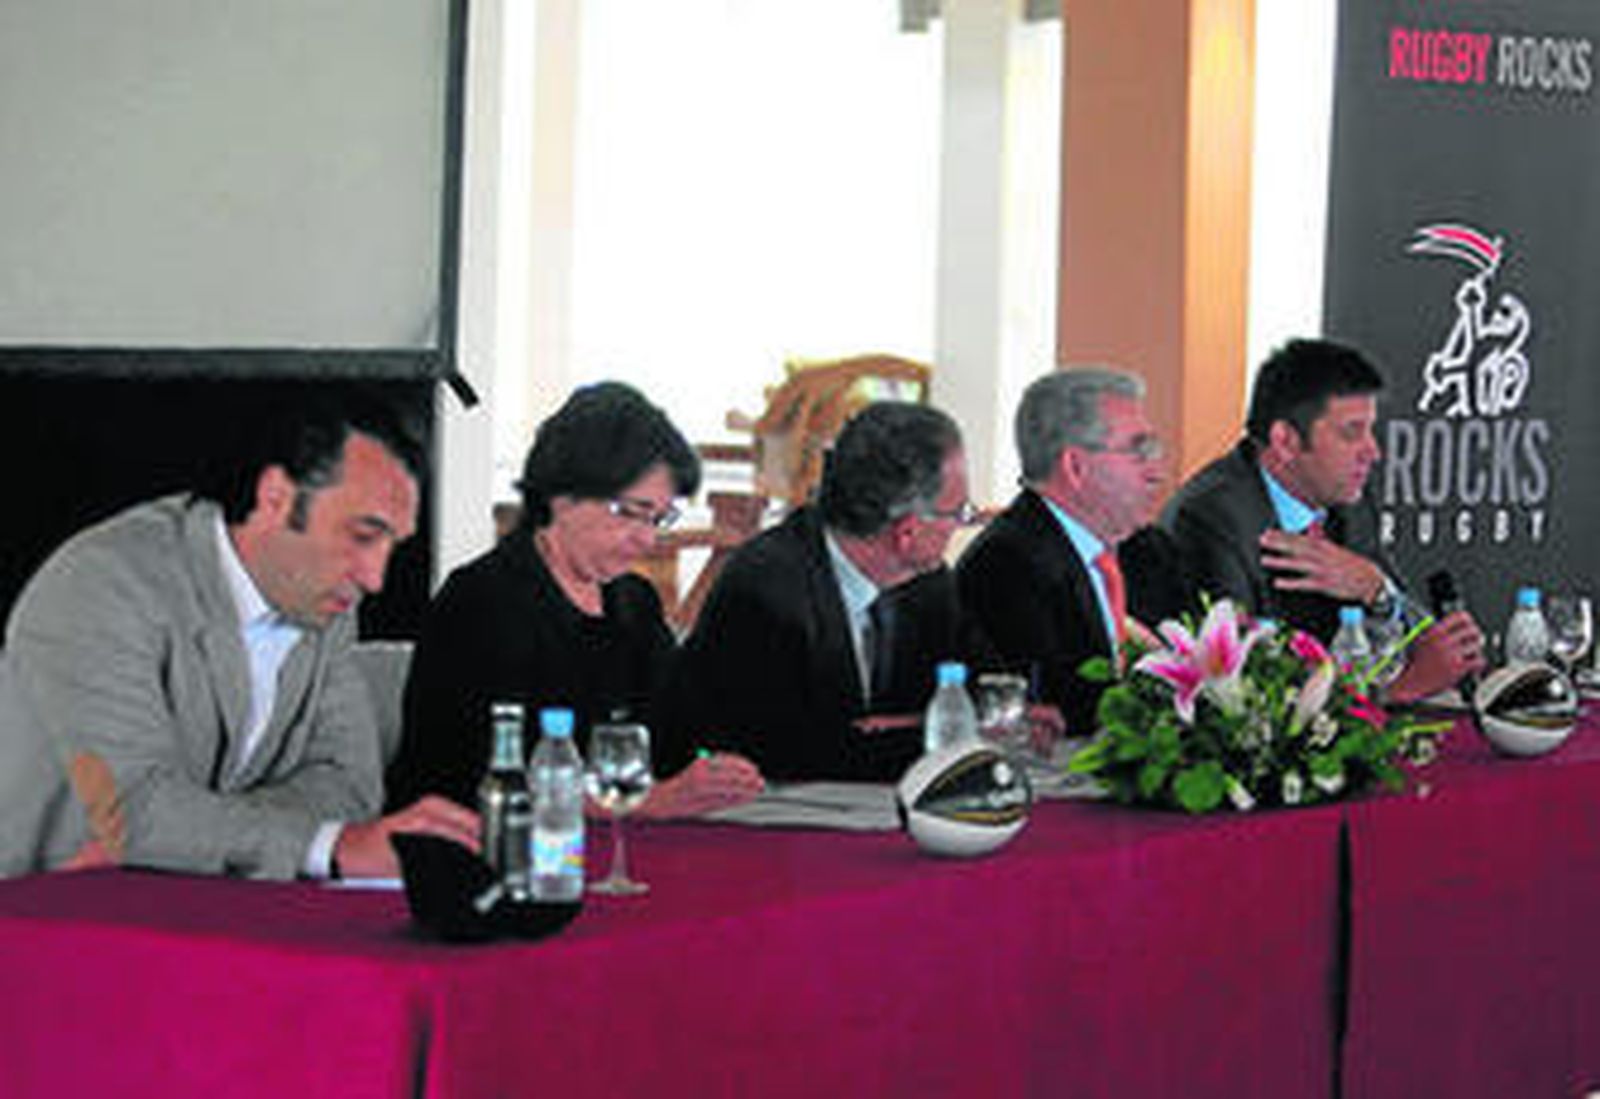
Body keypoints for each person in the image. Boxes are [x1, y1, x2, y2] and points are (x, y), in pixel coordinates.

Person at [0, 388, 479, 880]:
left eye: (390, 546)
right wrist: (329, 845)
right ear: (275, 497)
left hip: (188, 910)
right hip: (39, 916)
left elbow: (349, 785)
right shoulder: (103, 584)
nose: (374, 578)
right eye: (362, 536)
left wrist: (194, 832)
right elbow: (129, 812)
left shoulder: (324, 601)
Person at [386, 382, 763, 818]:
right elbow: (483, 775)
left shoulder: (633, 602)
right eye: (630, 512)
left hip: (611, 844)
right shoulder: (482, 600)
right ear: (562, 495)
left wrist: (719, 760)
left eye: (659, 518)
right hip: (473, 849)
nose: (647, 538)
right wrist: (648, 801)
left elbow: (674, 735)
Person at [669, 401, 991, 782]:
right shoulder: (764, 587)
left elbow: (975, 683)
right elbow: (791, 754)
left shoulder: (928, 582)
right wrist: (930, 730)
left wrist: (983, 715)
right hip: (769, 820)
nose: (959, 526)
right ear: (907, 532)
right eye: (958, 514)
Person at [1161, 337, 1485, 702]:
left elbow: (1413, 629)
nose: (1373, 453)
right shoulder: (1210, 521)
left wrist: (1378, 591)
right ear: (1284, 441)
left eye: (1371, 430)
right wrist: (1399, 690)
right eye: (1351, 433)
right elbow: (1243, 703)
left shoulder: (1346, 497)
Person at [957, 368, 1194, 736]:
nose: (1157, 472)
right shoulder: (1005, 566)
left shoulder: (1150, 551)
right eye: (1139, 451)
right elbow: (1056, 712)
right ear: (1075, 466)